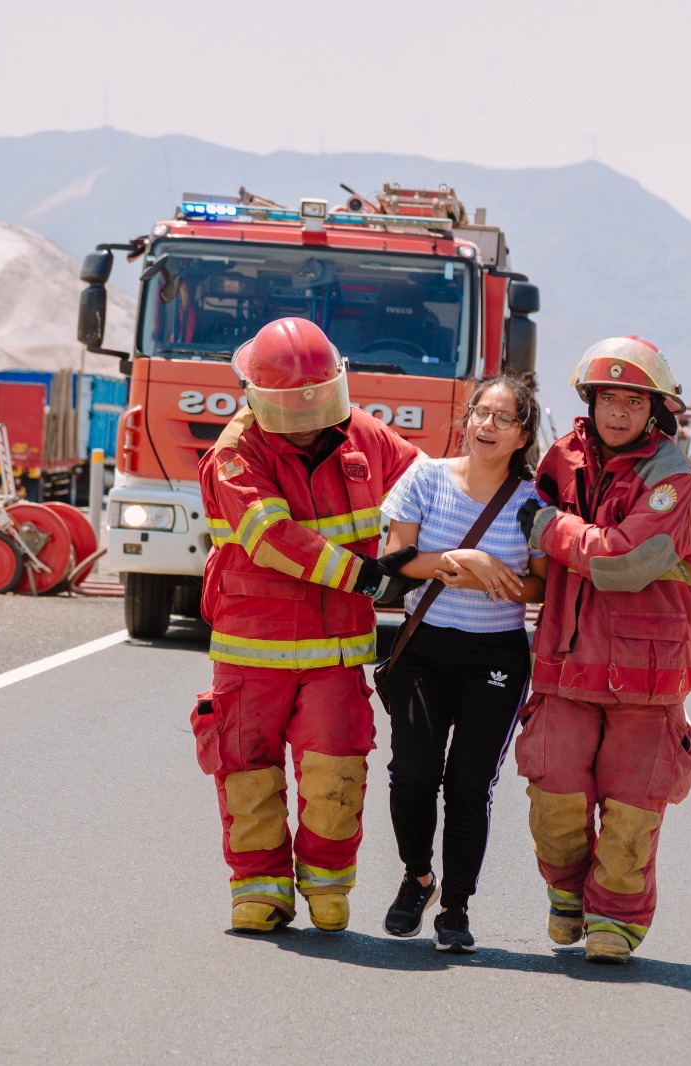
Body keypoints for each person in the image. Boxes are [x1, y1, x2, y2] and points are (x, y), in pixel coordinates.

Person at [190, 317, 421, 935]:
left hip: (336, 653)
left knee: (336, 772)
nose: (310, 415)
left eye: (318, 399)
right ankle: (260, 892)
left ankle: (327, 888)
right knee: (249, 774)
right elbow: (270, 539)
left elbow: (428, 485)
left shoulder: (364, 437)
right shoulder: (236, 453)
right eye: (295, 404)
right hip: (253, 652)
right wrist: (371, 579)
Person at [516, 335, 691, 965]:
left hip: (647, 679)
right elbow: (515, 524)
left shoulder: (676, 485)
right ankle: (569, 894)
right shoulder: (561, 459)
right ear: (591, 401)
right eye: (608, 398)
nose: (618, 412)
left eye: (633, 400)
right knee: (553, 796)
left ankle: (616, 919)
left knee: (631, 813)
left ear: (655, 409)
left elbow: (625, 559)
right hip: (564, 667)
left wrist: (551, 529)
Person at [378, 376, 548, 954]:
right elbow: (398, 563)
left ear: (523, 433)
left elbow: (537, 586)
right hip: (422, 647)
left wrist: (476, 573)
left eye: (504, 419)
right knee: (414, 773)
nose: (487, 426)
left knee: (469, 785)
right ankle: (417, 878)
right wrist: (469, 560)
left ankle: (455, 907)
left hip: (493, 657)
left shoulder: (533, 504)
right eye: (481, 413)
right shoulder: (425, 478)